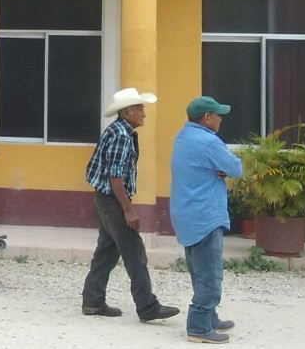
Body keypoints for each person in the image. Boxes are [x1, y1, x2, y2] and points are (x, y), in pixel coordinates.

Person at [81, 87, 180, 323]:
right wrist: (128, 210)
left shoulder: (117, 130)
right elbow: (115, 177)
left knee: (106, 251)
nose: (144, 113)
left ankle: (92, 300)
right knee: (135, 252)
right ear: (127, 112)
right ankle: (147, 306)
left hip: (104, 199)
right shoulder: (122, 136)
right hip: (113, 201)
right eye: (139, 108)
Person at [170, 96, 243, 344]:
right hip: (205, 216)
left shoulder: (183, 137)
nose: (221, 120)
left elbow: (200, 166)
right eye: (218, 115)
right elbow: (235, 168)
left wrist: (216, 168)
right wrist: (222, 168)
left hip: (186, 214)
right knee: (210, 275)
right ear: (207, 117)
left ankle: (210, 317)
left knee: (198, 271)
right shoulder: (209, 141)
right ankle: (199, 327)